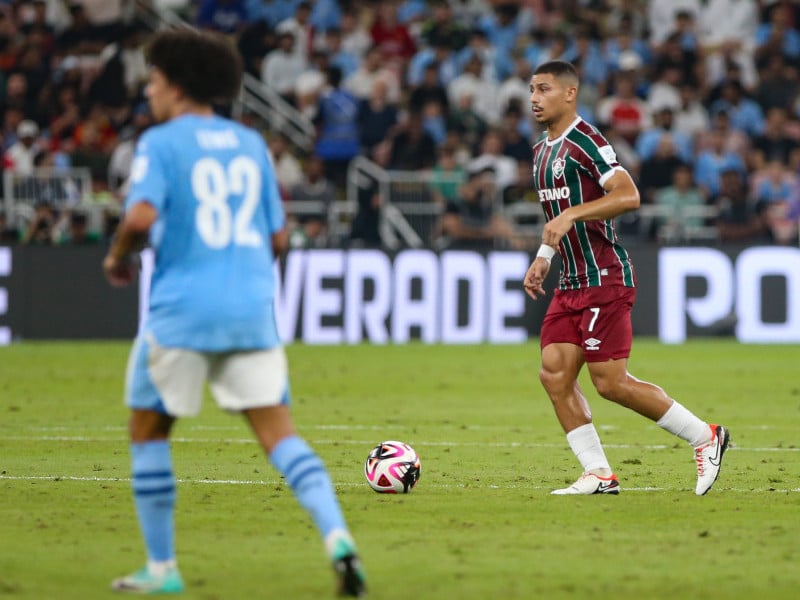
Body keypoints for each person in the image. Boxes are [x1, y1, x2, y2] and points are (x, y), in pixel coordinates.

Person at [101, 29, 366, 597]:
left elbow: (140, 217)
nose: (148, 90)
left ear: (177, 85)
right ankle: (339, 540)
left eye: (154, 80)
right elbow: (278, 238)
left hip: (180, 310)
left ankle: (162, 569)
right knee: (281, 436)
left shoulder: (160, 143)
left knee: (148, 430)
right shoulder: (250, 144)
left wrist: (118, 258)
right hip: (250, 309)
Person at [523, 60, 730, 497]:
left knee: (610, 383)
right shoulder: (541, 151)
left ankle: (705, 436)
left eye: (543, 89)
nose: (535, 98)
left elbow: (629, 195)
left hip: (604, 277)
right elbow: (555, 218)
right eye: (532, 90)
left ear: (570, 93)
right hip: (570, 281)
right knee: (554, 374)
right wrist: (544, 256)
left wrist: (571, 214)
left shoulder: (586, 140)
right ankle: (598, 474)